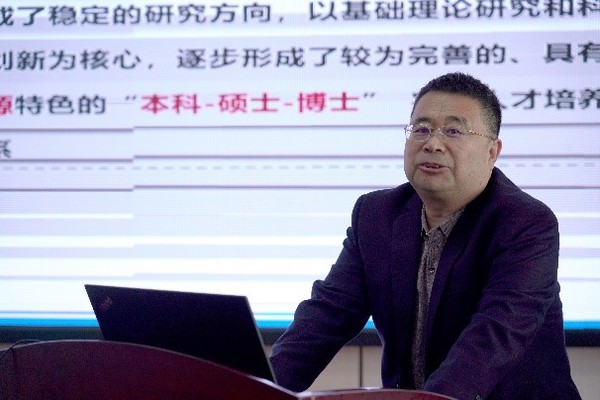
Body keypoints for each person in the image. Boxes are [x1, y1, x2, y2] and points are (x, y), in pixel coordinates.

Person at [269, 72, 581, 400]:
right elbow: (326, 315)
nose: (432, 143)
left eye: (453, 131)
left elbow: (492, 338)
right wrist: (258, 387)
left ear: (492, 151)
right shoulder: (377, 215)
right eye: (421, 129)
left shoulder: (526, 224)